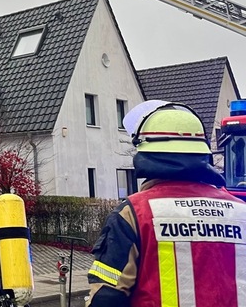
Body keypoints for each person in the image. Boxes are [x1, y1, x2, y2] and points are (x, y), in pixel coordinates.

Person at [86, 100, 246, 306]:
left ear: (145, 155)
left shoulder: (134, 213)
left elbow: (106, 298)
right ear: (204, 154)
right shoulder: (241, 212)